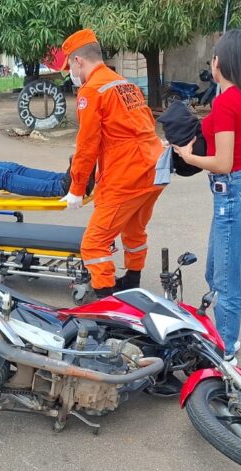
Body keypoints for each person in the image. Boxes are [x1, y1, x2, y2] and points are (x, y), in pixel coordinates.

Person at [173, 30, 241, 363]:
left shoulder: (227, 101)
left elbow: (223, 163)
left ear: (219, 62)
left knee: (225, 282)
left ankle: (225, 354)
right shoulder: (239, 96)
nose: (211, 63)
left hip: (233, 195)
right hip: (237, 193)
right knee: (216, 272)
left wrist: (189, 157)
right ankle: (226, 338)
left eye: (213, 57)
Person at [58, 29, 167, 298]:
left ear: (78, 61)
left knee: (94, 243)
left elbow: (87, 146)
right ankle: (132, 280)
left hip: (127, 175)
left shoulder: (92, 91)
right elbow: (144, 124)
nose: (71, 74)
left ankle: (106, 301)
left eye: (70, 66)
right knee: (134, 229)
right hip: (154, 168)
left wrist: (76, 188)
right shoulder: (124, 84)